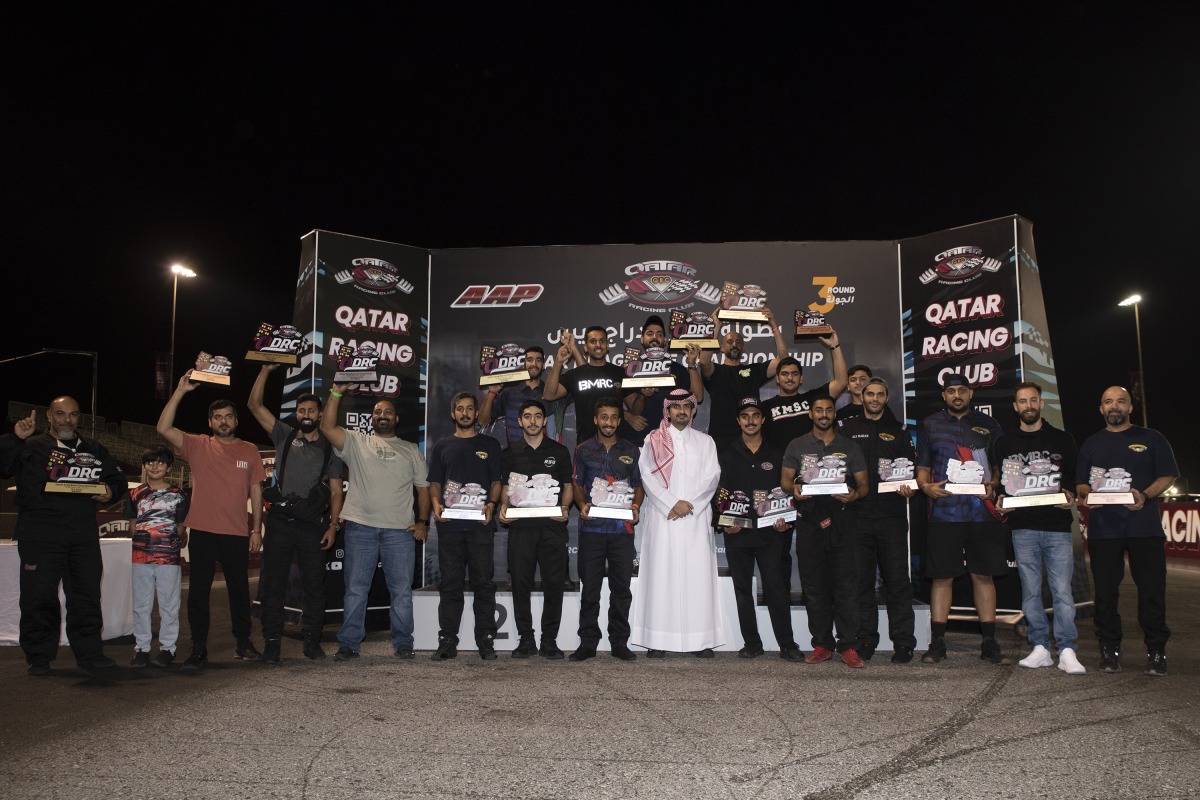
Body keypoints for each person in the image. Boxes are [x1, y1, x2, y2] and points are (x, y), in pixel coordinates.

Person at [1, 400, 127, 676]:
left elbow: (117, 482)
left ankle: (90, 654)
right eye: (60, 414)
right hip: (40, 535)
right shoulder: (30, 446)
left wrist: (110, 491)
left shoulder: (93, 448)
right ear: (49, 416)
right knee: (39, 598)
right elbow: (3, 466)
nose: (67, 420)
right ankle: (39, 657)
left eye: (72, 414)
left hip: (83, 536)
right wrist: (15, 438)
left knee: (86, 597)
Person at [158, 375, 266, 668]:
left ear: (236, 421)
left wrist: (256, 529)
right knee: (198, 593)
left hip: (236, 533)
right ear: (210, 422)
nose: (223, 421)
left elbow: (256, 490)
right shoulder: (198, 445)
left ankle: (243, 643)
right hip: (203, 531)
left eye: (228, 416)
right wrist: (180, 390)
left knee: (239, 593)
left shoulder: (250, 450)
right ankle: (198, 648)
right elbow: (163, 428)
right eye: (217, 417)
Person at [321, 387, 431, 661]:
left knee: (401, 592)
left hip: (400, 532)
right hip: (360, 528)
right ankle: (349, 643)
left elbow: (423, 491)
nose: (382, 415)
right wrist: (336, 394)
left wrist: (422, 522)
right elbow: (327, 427)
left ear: (396, 419)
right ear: (371, 418)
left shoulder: (410, 450)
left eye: (388, 412)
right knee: (355, 590)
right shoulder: (356, 442)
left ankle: (403, 642)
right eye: (377, 411)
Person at [1076, 385, 1178, 676]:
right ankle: (1109, 649)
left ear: (1130, 407)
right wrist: (1087, 495)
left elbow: (1168, 476)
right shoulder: (1091, 444)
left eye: (1120, 401)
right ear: (1101, 409)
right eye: (1108, 401)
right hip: (1104, 531)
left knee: (1152, 592)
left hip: (1144, 529)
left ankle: (1156, 651)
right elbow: (1081, 483)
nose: (1114, 406)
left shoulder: (1152, 438)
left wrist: (1144, 495)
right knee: (1106, 594)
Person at [248, 364, 345, 662]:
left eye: (311, 410)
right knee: (273, 585)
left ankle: (311, 641)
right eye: (301, 410)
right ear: (297, 413)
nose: (305, 414)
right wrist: (265, 371)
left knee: (314, 585)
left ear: (320, 414)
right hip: (280, 521)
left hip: (312, 525)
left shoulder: (330, 449)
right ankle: (272, 643)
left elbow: (336, 492)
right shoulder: (284, 435)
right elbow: (254, 406)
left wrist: (333, 526)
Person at [915, 374, 1006, 665]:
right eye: (951, 391)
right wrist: (925, 487)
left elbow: (998, 467)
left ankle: (989, 643)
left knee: (983, 575)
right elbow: (922, 468)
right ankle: (938, 643)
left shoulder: (989, 424)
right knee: (942, 577)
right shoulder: (930, 424)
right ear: (944, 395)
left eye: (962, 390)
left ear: (970, 393)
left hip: (982, 513)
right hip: (944, 512)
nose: (957, 395)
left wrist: (994, 485)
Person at [993, 381, 1084, 674]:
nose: (1029, 405)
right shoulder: (1004, 443)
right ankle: (1040, 647)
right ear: (1015, 406)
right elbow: (1002, 484)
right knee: (1030, 591)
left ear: (1041, 403)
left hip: (1057, 526)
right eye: (1023, 401)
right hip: (1023, 527)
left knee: (1062, 591)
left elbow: (1074, 478)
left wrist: (1070, 494)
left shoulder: (1063, 439)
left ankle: (1067, 649)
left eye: (1033, 400)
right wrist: (1001, 499)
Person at [630, 389, 723, 657]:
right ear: (667, 411)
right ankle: (657, 640)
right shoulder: (653, 439)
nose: (681, 411)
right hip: (663, 518)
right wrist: (671, 503)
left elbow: (712, 477)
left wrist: (688, 505)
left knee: (697, 579)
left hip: (695, 519)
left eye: (686, 406)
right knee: (660, 578)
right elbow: (646, 476)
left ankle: (699, 641)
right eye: (676, 407)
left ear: (693, 410)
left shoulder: (706, 442)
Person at [781, 395, 869, 668]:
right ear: (811, 414)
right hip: (810, 522)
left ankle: (849, 645)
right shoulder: (797, 444)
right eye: (818, 410)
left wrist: (855, 495)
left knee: (846, 586)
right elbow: (785, 482)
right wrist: (794, 489)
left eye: (828, 410)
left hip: (843, 521)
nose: (823, 414)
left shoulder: (849, 446)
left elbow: (864, 485)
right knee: (814, 587)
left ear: (834, 414)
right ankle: (822, 644)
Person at [717, 398, 804, 662]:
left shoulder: (778, 453)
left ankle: (787, 644)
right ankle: (752, 643)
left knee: (776, 589)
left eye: (755, 415)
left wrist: (786, 519)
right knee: (743, 590)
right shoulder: (726, 454)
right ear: (738, 420)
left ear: (763, 419)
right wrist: (725, 521)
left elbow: (787, 491)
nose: (751, 421)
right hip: (738, 533)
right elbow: (720, 492)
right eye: (745, 416)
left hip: (771, 533)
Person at [839, 377, 918, 663]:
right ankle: (866, 640)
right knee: (861, 583)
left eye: (880, 394)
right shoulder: (846, 429)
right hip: (857, 517)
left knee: (897, 581)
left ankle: (904, 642)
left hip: (891, 517)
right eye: (870, 394)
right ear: (862, 396)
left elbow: (911, 470)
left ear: (886, 397)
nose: (874, 398)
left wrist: (909, 487)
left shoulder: (899, 431)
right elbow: (838, 468)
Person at [427, 391, 502, 660]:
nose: (465, 413)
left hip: (480, 526)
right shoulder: (442, 446)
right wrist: (435, 503)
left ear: (476, 413)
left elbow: (496, 481)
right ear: (453, 413)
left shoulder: (490, 444)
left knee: (483, 583)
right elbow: (435, 482)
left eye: (470, 409)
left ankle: (486, 640)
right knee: (450, 584)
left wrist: (491, 504)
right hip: (450, 526)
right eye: (460, 409)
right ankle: (447, 640)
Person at [498, 400, 574, 659]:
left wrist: (564, 507)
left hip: (552, 527)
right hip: (521, 528)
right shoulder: (509, 453)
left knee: (554, 584)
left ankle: (549, 640)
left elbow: (567, 487)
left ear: (544, 421)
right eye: (528, 416)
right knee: (520, 584)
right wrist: (504, 507)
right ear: (520, 421)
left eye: (538, 416)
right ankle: (526, 639)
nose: (533, 421)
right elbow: (505, 489)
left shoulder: (559, 451)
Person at [570, 396, 643, 662]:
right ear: (595, 420)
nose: (609, 422)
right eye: (604, 417)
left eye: (613, 417)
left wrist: (635, 506)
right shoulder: (583, 449)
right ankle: (587, 642)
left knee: (621, 590)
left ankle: (619, 642)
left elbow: (638, 486)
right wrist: (582, 504)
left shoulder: (632, 450)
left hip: (622, 531)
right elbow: (577, 485)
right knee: (589, 589)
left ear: (619, 421)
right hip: (592, 530)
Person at [126, 446, 189, 668]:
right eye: (150, 462)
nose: (155, 466)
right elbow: (132, 525)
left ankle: (168, 648)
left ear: (168, 467)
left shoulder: (179, 495)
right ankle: (142, 649)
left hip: (168, 559)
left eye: (160, 462)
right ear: (144, 466)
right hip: (140, 558)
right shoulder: (135, 493)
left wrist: (167, 546)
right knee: (140, 605)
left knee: (169, 605)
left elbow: (181, 527)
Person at [699, 308, 788, 452]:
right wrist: (716, 326)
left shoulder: (754, 370)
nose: (734, 344)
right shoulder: (715, 371)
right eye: (729, 342)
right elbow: (703, 361)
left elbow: (783, 360)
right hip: (721, 441)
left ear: (744, 348)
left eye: (738, 342)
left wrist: (773, 324)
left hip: (750, 439)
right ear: (721, 348)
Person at [623, 315, 704, 447]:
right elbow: (635, 411)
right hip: (639, 441)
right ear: (642, 339)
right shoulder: (632, 370)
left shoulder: (677, 369)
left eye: (659, 334)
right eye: (650, 333)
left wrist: (691, 364)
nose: (654, 337)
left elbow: (698, 397)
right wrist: (643, 395)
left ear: (665, 340)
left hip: (671, 441)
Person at [760, 338, 850, 452]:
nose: (790, 378)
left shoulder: (813, 399)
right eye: (784, 374)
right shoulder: (765, 406)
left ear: (801, 379)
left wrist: (835, 346)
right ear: (777, 379)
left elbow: (841, 382)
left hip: (812, 460)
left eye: (795, 374)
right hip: (780, 461)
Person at [543, 326, 629, 444]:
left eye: (602, 341)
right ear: (585, 347)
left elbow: (634, 406)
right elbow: (549, 395)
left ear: (607, 345)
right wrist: (558, 362)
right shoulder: (575, 375)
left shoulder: (619, 373)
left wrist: (629, 414)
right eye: (593, 341)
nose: (598, 345)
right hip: (586, 443)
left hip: (617, 443)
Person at [477, 345, 568, 444]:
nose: (534, 364)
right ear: (524, 364)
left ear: (543, 365)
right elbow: (482, 421)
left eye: (538, 360)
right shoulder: (509, 393)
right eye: (530, 360)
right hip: (515, 452)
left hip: (545, 453)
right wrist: (492, 392)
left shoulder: (552, 394)